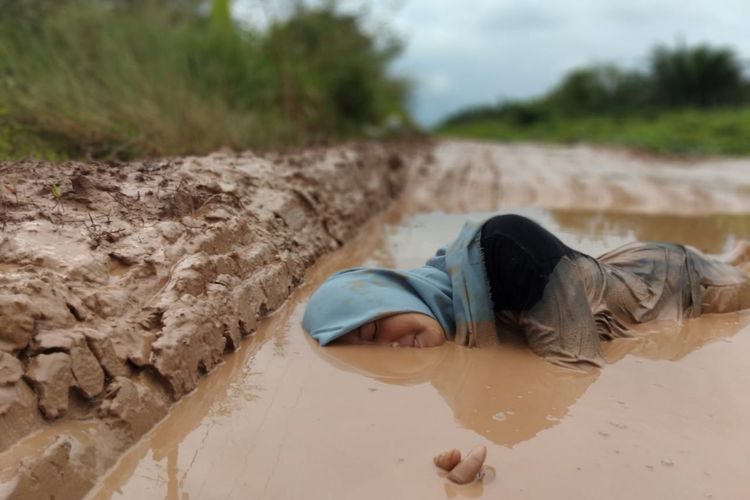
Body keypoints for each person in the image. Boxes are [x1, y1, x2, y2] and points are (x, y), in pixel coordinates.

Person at [303, 214, 750, 367]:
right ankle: (732, 254)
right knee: (730, 262)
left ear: (391, 295)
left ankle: (728, 261)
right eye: (372, 355)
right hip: (629, 264)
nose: (393, 349)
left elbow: (572, 367)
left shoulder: (503, 250)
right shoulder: (455, 300)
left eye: (373, 332)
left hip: (678, 286)